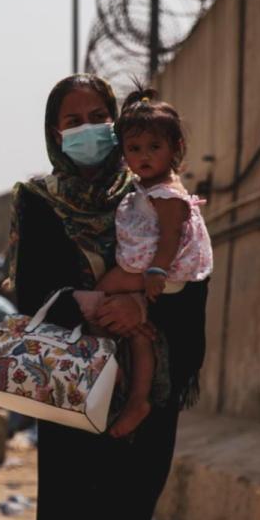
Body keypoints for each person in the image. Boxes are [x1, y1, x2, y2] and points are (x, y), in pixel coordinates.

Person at [8, 74, 208, 520]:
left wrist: (141, 304)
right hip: (74, 387)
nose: (89, 128)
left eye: (99, 117)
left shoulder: (152, 192)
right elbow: (30, 290)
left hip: (146, 388)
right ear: (56, 133)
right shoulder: (40, 200)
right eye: (74, 121)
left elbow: (193, 272)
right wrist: (91, 303)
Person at [95, 89, 213, 438]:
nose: (143, 156)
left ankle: (112, 368)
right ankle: (138, 398)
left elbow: (171, 237)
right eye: (134, 149)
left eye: (154, 147)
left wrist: (156, 272)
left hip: (154, 268)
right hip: (151, 267)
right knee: (140, 336)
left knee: (97, 297)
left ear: (175, 147)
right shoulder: (149, 186)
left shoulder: (167, 194)